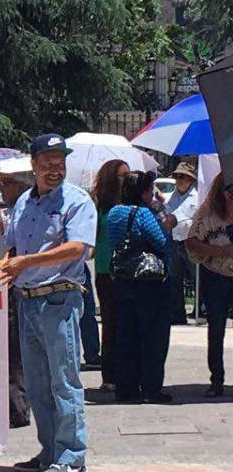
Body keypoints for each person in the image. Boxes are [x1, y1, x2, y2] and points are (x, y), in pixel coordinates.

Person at [0, 134, 96, 472]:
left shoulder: (77, 201)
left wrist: (26, 262)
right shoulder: (24, 202)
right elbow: (13, 245)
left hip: (59, 299)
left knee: (64, 380)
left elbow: (77, 248)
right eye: (48, 163)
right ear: (34, 165)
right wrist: (6, 263)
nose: (56, 169)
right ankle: (49, 450)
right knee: (37, 384)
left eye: (61, 162)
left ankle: (72, 456)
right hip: (27, 301)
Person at [106, 171, 172, 404]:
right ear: (142, 192)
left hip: (123, 279)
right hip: (148, 282)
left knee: (126, 336)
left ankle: (126, 388)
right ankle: (152, 388)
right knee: (152, 337)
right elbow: (162, 241)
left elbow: (114, 240)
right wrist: (161, 213)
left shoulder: (114, 212)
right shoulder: (144, 213)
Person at [0, 165, 32, 428]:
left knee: (12, 353)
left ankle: (17, 409)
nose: (3, 187)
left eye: (7, 183)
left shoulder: (21, 211)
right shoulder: (16, 209)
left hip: (12, 289)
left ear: (22, 186)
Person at [184, 173, 233, 398]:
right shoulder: (208, 213)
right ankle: (216, 380)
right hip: (216, 275)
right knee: (216, 329)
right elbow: (191, 241)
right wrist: (220, 251)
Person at [90, 159, 129, 394]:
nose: (126, 178)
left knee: (127, 324)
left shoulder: (129, 200)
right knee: (111, 324)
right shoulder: (98, 203)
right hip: (106, 269)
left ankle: (126, 371)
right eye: (122, 175)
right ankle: (109, 375)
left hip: (128, 269)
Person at [164, 160, 200, 325]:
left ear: (191, 180)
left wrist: (175, 219)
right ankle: (177, 313)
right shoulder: (172, 196)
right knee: (174, 278)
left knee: (195, 277)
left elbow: (191, 218)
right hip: (175, 241)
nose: (179, 180)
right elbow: (166, 213)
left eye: (183, 177)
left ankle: (200, 311)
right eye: (177, 176)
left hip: (191, 242)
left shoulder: (197, 197)